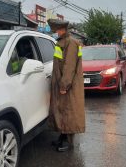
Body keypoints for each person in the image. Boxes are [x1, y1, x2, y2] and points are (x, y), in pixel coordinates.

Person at [48, 19, 85, 152]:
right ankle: (62, 137)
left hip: (69, 86)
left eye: (57, 29)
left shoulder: (71, 43)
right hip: (63, 84)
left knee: (69, 113)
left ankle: (68, 143)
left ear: (62, 29)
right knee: (62, 111)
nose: (56, 32)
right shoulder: (64, 42)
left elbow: (69, 67)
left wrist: (64, 86)